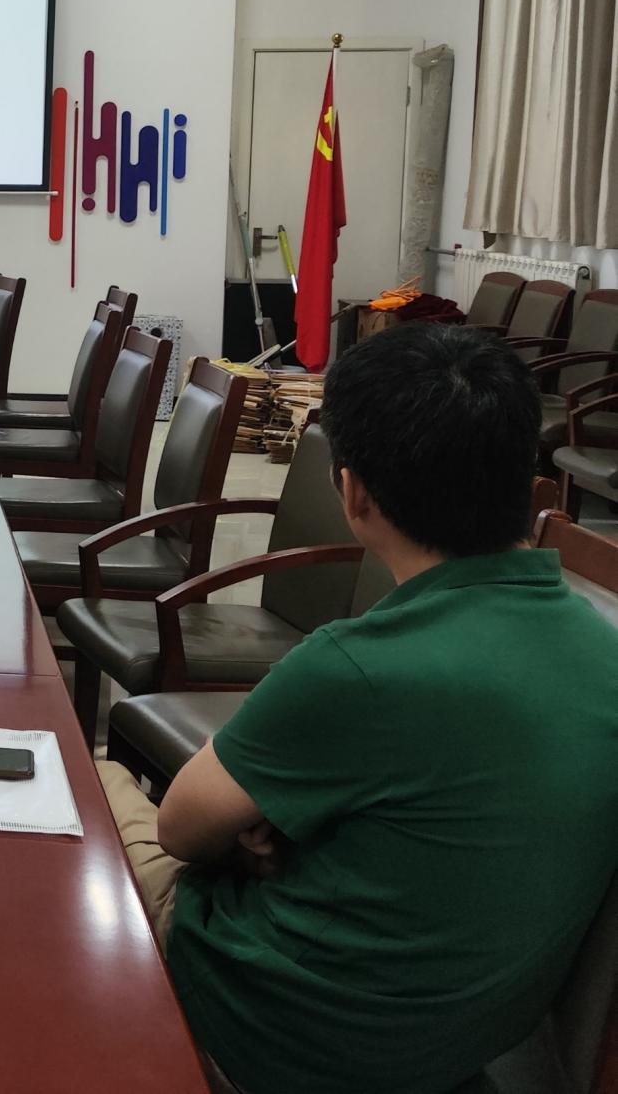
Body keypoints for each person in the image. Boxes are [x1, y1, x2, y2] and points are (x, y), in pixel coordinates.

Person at [99, 322, 618, 1094]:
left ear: (352, 493)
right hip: (460, 1043)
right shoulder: (601, 644)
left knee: (97, 786)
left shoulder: (358, 668)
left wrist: (256, 834)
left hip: (285, 1034)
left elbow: (180, 829)